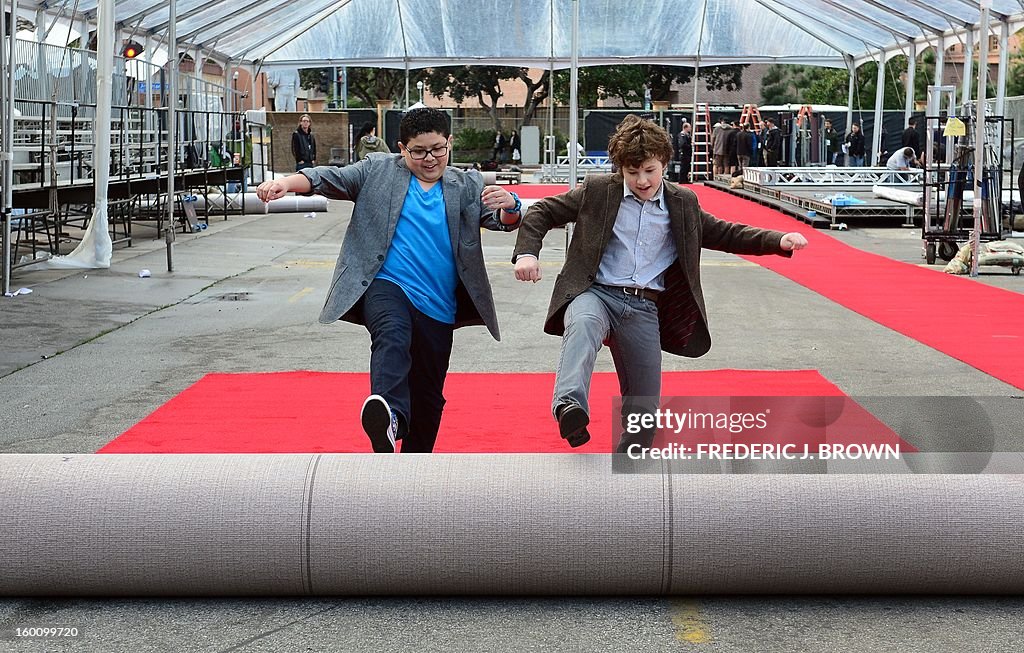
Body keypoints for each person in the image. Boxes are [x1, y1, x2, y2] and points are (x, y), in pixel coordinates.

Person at [511, 115, 808, 451]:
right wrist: (526, 254)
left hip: (644, 306)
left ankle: (632, 457)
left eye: (649, 170)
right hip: (597, 293)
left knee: (644, 415)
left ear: (664, 163)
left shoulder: (681, 202)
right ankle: (570, 406)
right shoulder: (598, 191)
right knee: (582, 325)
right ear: (619, 168)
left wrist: (777, 239)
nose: (641, 180)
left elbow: (724, 232)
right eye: (632, 171)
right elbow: (542, 212)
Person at [255, 108, 523, 453]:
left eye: (438, 149)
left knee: (428, 396)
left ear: (450, 143)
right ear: (401, 148)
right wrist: (284, 183)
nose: (430, 158)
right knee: (392, 335)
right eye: (419, 151)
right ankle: (390, 415)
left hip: (439, 304)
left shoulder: (466, 184)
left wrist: (511, 206)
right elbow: (327, 177)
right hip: (386, 285)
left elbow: (501, 219)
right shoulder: (377, 170)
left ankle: (414, 466)